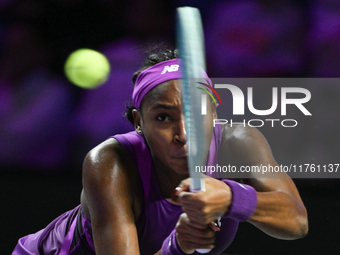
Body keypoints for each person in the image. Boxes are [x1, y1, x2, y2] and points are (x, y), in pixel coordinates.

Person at [12, 48, 308, 255]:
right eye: (164, 118)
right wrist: (177, 246)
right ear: (138, 122)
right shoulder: (108, 162)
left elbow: (296, 222)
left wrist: (231, 196)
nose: (182, 135)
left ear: (215, 113)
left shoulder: (239, 142)